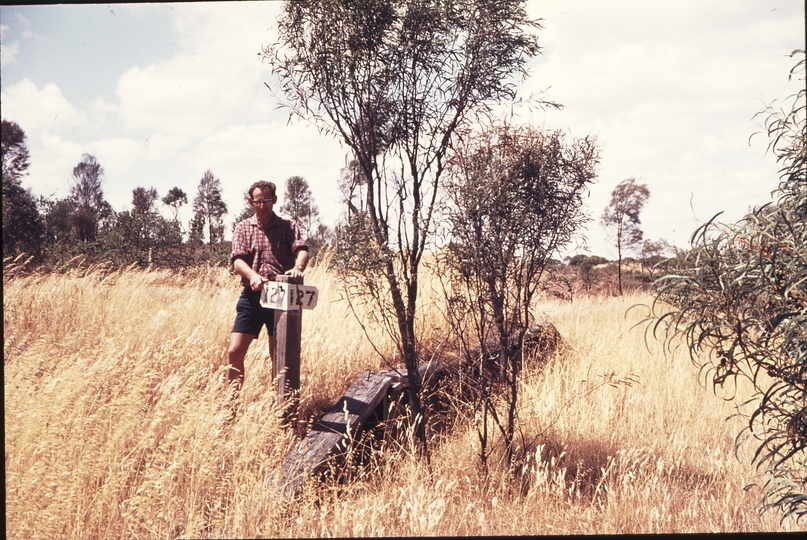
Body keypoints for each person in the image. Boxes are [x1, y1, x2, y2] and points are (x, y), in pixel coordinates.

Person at [226, 180, 309, 388]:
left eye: (267, 200)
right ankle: (230, 408)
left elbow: (302, 249)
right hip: (252, 296)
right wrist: (253, 276)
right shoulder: (243, 228)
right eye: (258, 201)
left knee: (279, 356)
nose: (263, 205)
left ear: (275, 200)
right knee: (234, 351)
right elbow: (237, 260)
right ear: (250, 202)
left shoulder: (288, 226)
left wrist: (298, 267)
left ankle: (280, 408)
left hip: (280, 297)